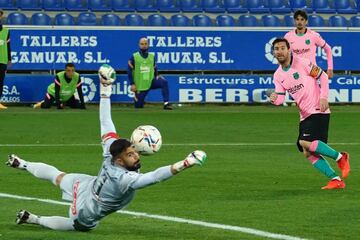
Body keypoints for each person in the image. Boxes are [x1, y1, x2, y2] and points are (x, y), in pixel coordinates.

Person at [6, 74, 206, 231]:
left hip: (89, 185)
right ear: (119, 161)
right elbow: (154, 177)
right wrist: (184, 163)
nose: (135, 154)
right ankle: (34, 217)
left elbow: (105, 121)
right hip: (88, 209)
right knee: (75, 225)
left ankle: (22, 170)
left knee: (59, 177)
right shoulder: (125, 179)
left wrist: (105, 89)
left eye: (134, 150)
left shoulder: (110, 151)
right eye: (130, 154)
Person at [269, 38, 350, 190]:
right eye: (276, 49)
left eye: (282, 48)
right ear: (273, 52)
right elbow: (280, 99)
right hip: (305, 114)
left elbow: (323, 76)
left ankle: (340, 157)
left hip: (318, 108)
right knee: (307, 152)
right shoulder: (278, 75)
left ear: (289, 50)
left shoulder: (303, 63)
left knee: (304, 142)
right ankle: (336, 179)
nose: (279, 51)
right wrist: (273, 98)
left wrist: (324, 97)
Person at [284, 10, 333, 78]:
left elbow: (328, 49)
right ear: (294, 21)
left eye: (302, 19)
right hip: (297, 71)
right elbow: (285, 55)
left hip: (312, 70)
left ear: (306, 21)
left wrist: (330, 68)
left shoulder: (313, 35)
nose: (300, 22)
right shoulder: (288, 36)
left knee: (321, 82)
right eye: (297, 19)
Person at [128, 37, 172, 110]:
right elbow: (129, 70)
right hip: (140, 85)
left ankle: (166, 104)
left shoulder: (152, 56)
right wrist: (132, 83)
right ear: (139, 45)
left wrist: (157, 75)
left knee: (164, 82)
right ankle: (140, 100)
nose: (144, 45)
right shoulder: (134, 57)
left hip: (151, 81)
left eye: (145, 44)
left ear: (148, 45)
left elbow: (154, 67)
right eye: (142, 44)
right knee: (138, 107)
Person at [0, 9, 11, 110]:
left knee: (0, 82)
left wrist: (9, 59)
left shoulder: (6, 31)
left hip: (2, 60)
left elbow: (8, 46)